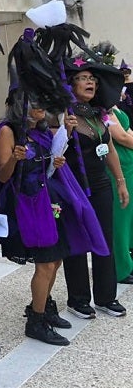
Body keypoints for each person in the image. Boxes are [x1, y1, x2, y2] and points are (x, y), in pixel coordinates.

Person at [0, 91, 73, 345]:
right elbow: (3, 177)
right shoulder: (8, 131)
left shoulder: (40, 131)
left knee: (56, 258)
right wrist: (14, 160)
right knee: (46, 262)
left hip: (45, 198)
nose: (41, 108)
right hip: (26, 203)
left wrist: (55, 162)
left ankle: (41, 306)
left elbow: (45, 167)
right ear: (21, 105)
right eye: (36, 103)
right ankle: (36, 322)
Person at [62, 61, 130, 318]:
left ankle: (105, 296)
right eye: (83, 77)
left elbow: (110, 148)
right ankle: (78, 298)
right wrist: (65, 132)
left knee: (105, 238)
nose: (90, 82)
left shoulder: (97, 113)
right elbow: (53, 152)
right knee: (77, 240)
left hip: (101, 184)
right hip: (73, 186)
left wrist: (120, 182)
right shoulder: (63, 114)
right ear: (71, 84)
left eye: (92, 78)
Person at [108, 77, 133, 284]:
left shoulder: (114, 107)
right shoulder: (103, 110)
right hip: (119, 168)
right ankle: (121, 267)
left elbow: (128, 131)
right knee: (120, 218)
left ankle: (128, 260)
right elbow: (122, 137)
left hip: (129, 165)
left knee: (129, 217)